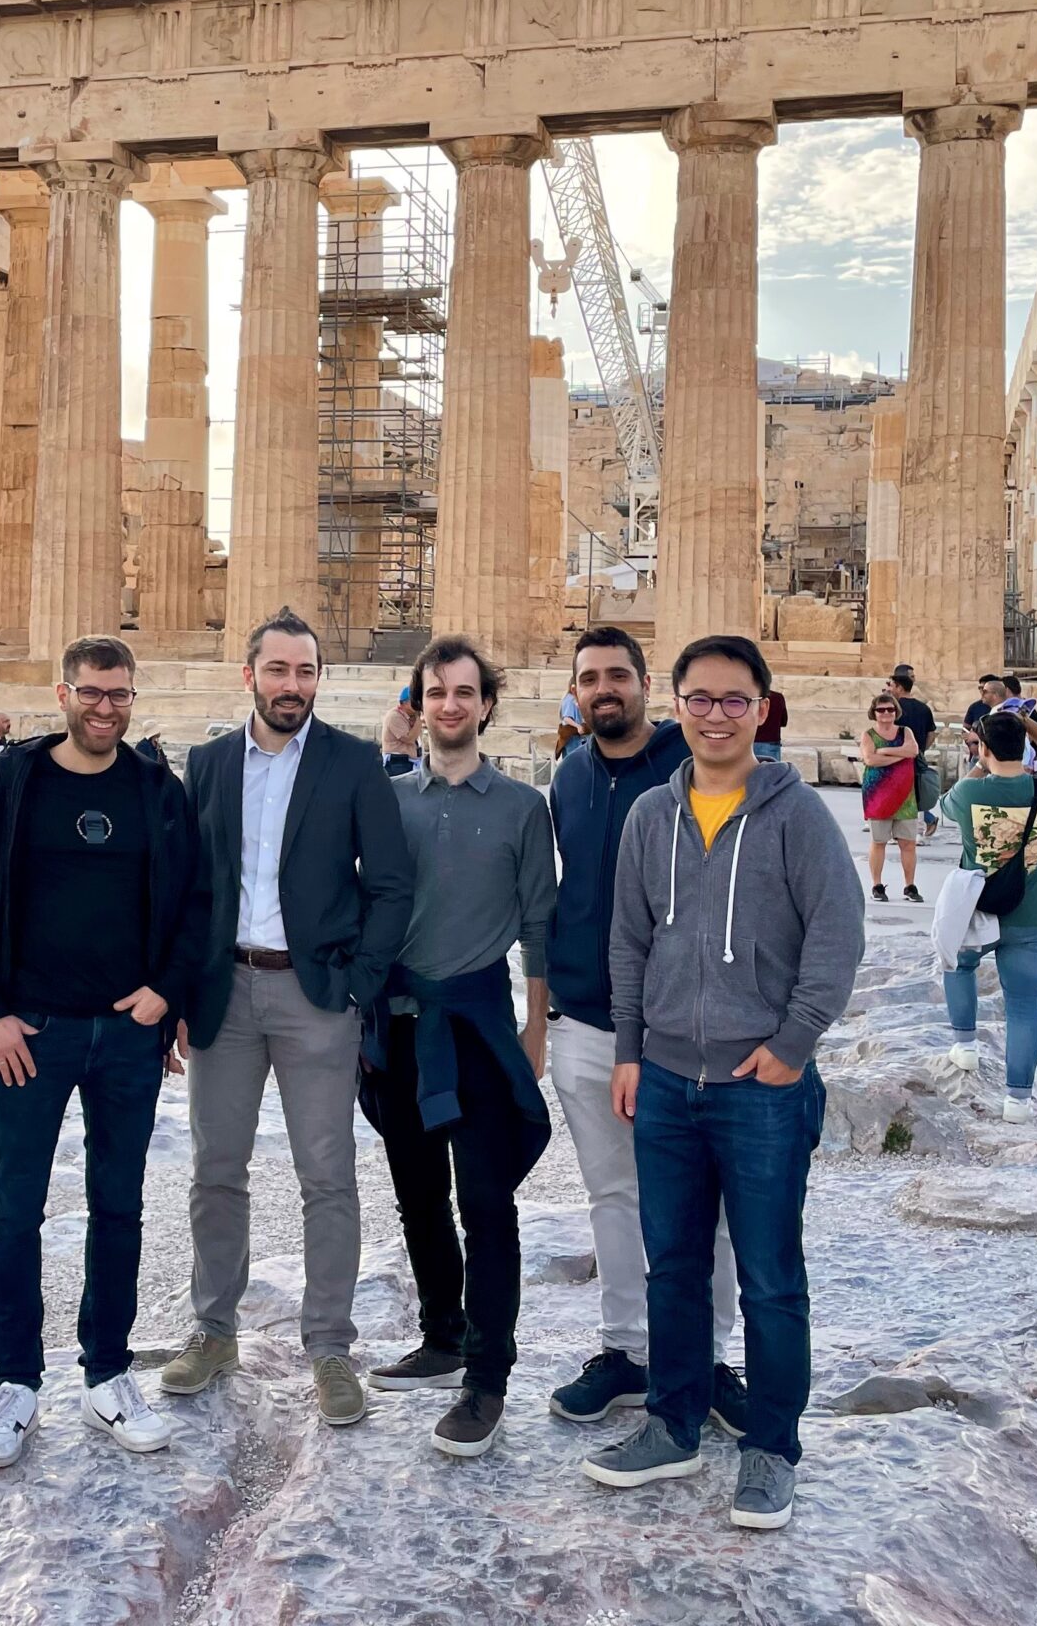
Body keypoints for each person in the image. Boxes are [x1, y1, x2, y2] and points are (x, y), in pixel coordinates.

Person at [584, 635, 862, 1532]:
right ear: (677, 708)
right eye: (699, 700)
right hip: (665, 1077)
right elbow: (628, 940)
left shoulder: (796, 814)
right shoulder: (651, 819)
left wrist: (794, 1042)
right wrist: (628, 1049)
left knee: (772, 1275)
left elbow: (837, 935)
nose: (714, 715)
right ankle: (672, 1423)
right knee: (673, 1264)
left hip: (760, 1085)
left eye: (734, 700)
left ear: (762, 709)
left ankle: (772, 1449)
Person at [0, 635, 208, 1468]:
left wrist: (168, 993)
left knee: (118, 1207)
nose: (106, 708)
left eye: (120, 695)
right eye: (92, 692)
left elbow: (195, 901)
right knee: (15, 1209)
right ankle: (14, 1382)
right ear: (63, 693)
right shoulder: (13, 782)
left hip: (126, 1033)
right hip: (30, 1035)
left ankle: (108, 1374)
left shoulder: (159, 789)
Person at [164, 609, 415, 1429]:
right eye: (278, 672)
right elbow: (186, 885)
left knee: (327, 1176)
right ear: (250, 677)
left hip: (316, 997)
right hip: (224, 993)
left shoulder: (350, 763)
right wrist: (178, 990)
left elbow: (389, 886)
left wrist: (356, 984)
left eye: (306, 673)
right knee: (216, 1169)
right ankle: (213, 1330)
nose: (293, 687)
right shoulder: (205, 765)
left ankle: (331, 1348)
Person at [541, 626, 745, 1438]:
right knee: (612, 1197)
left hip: (679, 1030)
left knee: (710, 1205)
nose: (604, 691)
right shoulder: (568, 776)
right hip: (587, 1020)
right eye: (590, 679)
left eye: (617, 676)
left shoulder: (689, 768)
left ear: (646, 685)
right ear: (578, 691)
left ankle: (710, 1358)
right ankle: (626, 1351)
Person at [362, 637, 557, 1458]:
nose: (450, 705)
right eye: (435, 692)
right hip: (397, 1022)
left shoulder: (519, 806)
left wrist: (536, 1026)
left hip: (475, 1024)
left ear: (486, 706)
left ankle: (488, 1376)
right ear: (418, 703)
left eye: (464, 693)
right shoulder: (387, 799)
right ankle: (442, 1335)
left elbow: (538, 924)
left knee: (485, 1202)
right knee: (416, 1194)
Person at [939, 703, 1037, 1110]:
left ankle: (965, 1044)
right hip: (1035, 915)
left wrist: (981, 763)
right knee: (1024, 1005)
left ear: (983, 748)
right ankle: (1018, 1099)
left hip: (977, 909)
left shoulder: (970, 793)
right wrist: (1027, 722)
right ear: (1025, 746)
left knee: (958, 965)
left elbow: (947, 804)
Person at [859, 691, 923, 902]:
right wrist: (898, 755)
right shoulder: (868, 735)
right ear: (874, 713)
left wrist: (885, 751)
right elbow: (870, 760)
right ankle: (877, 884)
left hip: (905, 795)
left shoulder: (905, 732)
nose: (886, 713)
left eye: (890, 709)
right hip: (878, 794)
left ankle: (910, 885)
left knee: (908, 843)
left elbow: (912, 751)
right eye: (881, 710)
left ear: (896, 711)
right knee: (879, 841)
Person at [889, 665, 940, 838]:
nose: (891, 689)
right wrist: (921, 750)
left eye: (893, 686)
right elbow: (931, 733)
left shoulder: (893, 709)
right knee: (915, 792)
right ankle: (919, 826)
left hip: (897, 757)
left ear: (900, 687)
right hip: (916, 756)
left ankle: (903, 830)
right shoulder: (924, 708)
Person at [380, 698, 421, 776]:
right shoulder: (394, 716)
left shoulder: (410, 716)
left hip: (408, 761)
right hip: (397, 762)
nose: (418, 705)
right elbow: (408, 738)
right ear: (405, 703)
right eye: (414, 702)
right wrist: (419, 720)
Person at [753, 686, 787, 764]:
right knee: (772, 774)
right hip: (771, 744)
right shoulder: (778, 697)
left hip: (751, 743)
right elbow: (784, 721)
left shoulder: (751, 697)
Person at [558, 681, 583, 758]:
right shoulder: (571, 699)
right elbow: (567, 718)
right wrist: (578, 726)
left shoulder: (568, 698)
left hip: (570, 737)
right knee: (574, 761)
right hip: (572, 736)